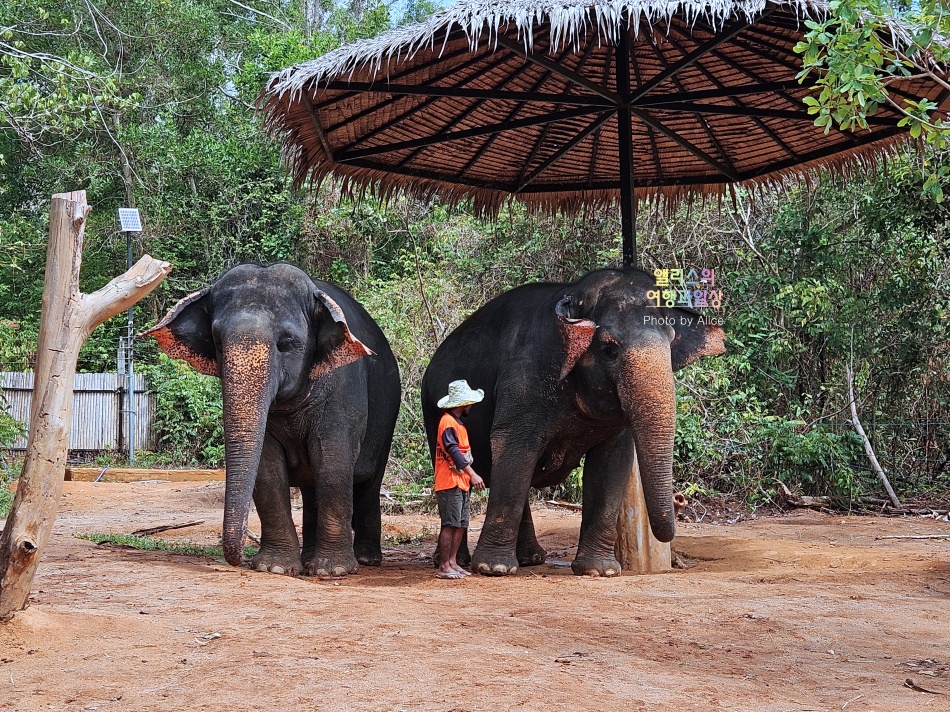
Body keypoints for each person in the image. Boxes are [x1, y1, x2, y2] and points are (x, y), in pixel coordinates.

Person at [434, 379, 486, 579]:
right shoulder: (447, 422)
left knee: (461, 524)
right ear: (463, 403)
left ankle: (452, 562)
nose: (471, 406)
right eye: (469, 403)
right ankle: (443, 566)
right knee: (450, 524)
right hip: (449, 481)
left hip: (461, 481)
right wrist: (473, 474)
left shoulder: (458, 424)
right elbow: (453, 451)